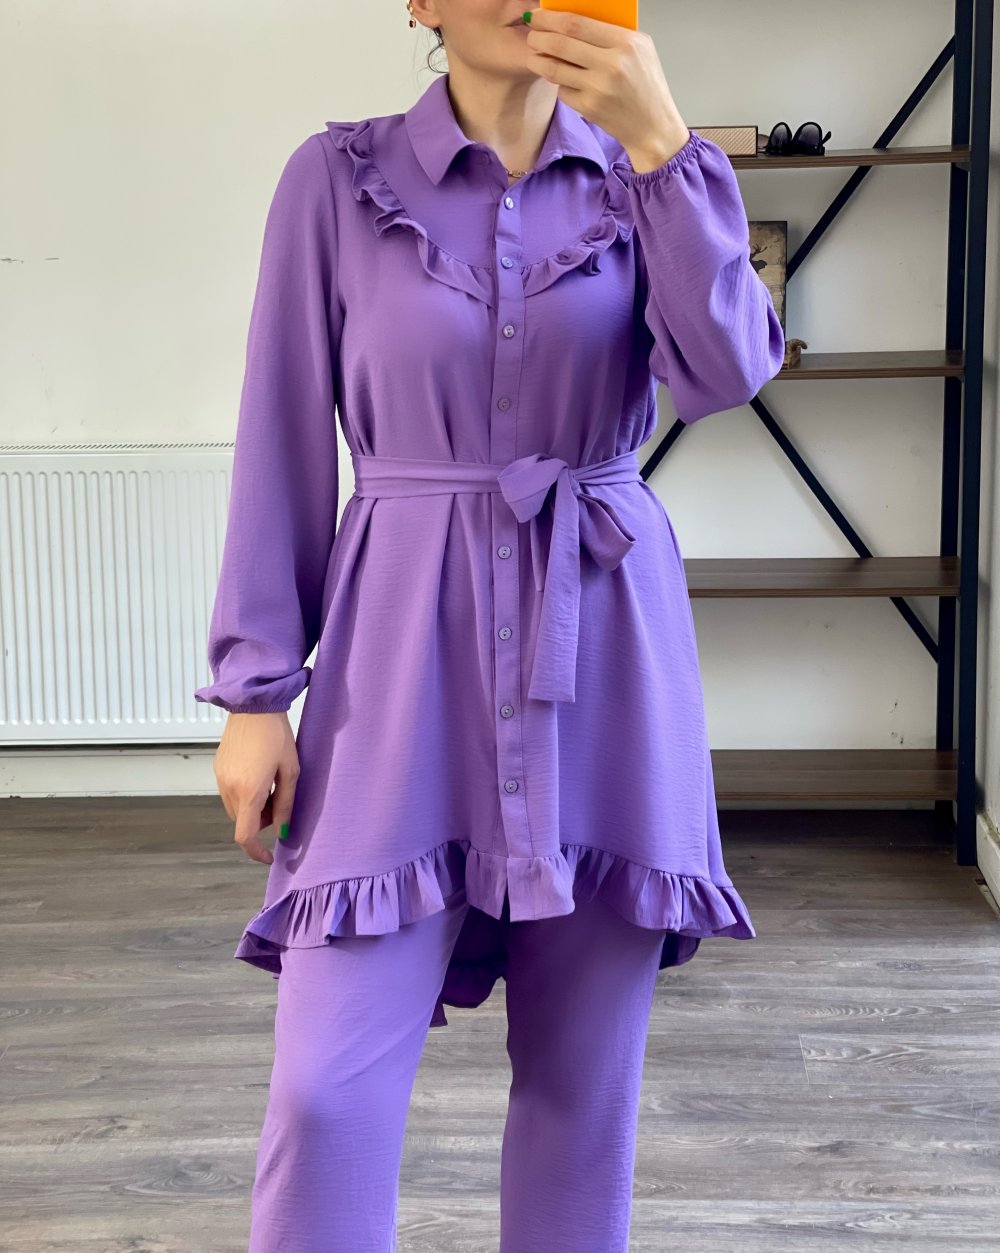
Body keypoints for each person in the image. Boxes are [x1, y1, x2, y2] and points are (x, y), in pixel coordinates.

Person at [194, 2, 786, 1249]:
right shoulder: (335, 182)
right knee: (325, 1090)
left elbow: (726, 372)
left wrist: (660, 145)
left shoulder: (653, 172)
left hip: (603, 660)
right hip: (397, 671)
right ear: (419, 1)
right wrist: (256, 691)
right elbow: (282, 434)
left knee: (580, 1097)